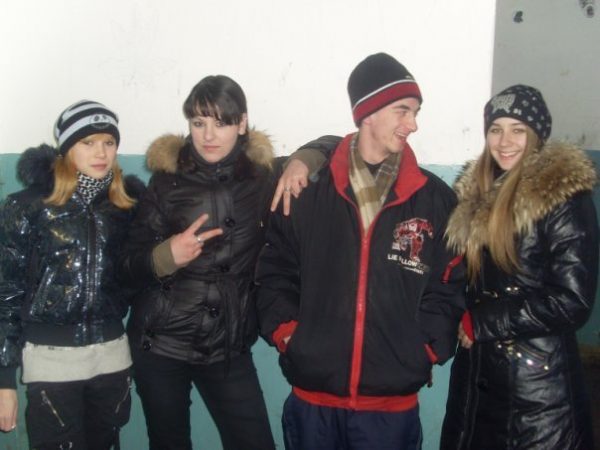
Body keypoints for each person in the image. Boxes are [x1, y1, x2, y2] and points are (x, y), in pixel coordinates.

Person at [255, 52, 466, 450]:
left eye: (416, 112)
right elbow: (275, 269)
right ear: (368, 112)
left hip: (391, 408)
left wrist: (424, 349)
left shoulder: (434, 199)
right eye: (403, 111)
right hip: (313, 401)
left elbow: (449, 283)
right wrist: (288, 333)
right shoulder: (306, 191)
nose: (413, 124)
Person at [118, 74, 326, 450]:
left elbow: (337, 143)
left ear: (242, 123)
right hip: (161, 343)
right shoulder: (166, 183)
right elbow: (126, 265)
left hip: (226, 347)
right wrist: (166, 256)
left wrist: (301, 161)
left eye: (221, 122)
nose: (208, 135)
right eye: (199, 123)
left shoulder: (262, 177)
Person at [440, 84, 598, 449]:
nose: (505, 141)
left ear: (536, 135)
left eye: (518, 129)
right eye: (496, 129)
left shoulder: (562, 199)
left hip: (537, 396)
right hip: (479, 377)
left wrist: (483, 322)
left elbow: (572, 301)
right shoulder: (478, 194)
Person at [0, 100, 143, 449]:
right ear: (66, 149)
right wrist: (4, 380)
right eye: (87, 142)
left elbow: (136, 278)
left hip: (111, 357)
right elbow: (7, 292)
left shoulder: (126, 206)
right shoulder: (27, 206)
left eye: (109, 142)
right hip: (51, 361)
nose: (101, 153)